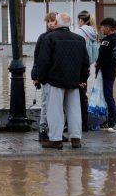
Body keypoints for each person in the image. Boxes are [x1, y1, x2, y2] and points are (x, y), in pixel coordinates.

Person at [32, 13, 89, 149]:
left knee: (55, 110)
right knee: (74, 110)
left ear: (57, 23)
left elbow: (44, 61)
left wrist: (39, 78)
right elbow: (85, 62)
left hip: (55, 80)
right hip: (73, 81)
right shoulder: (79, 39)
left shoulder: (49, 38)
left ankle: (56, 140)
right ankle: (76, 139)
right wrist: (82, 79)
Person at [31, 12, 59, 142]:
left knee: (57, 105)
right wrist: (35, 76)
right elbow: (37, 58)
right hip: (46, 77)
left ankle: (55, 130)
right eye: (48, 21)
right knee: (46, 104)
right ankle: (43, 129)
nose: (50, 23)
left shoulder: (58, 36)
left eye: (52, 20)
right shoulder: (43, 37)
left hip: (56, 76)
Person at [97, 17, 116, 132]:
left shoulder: (115, 40)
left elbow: (114, 59)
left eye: (102, 27)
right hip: (101, 72)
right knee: (104, 97)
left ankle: (113, 123)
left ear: (107, 27)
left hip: (109, 73)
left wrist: (100, 63)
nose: (101, 29)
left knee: (109, 96)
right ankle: (107, 121)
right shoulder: (105, 39)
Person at [77, 10, 98, 132]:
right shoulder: (94, 33)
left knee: (73, 96)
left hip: (76, 67)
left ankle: (74, 124)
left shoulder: (79, 32)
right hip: (87, 67)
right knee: (83, 95)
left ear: (80, 20)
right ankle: (84, 124)